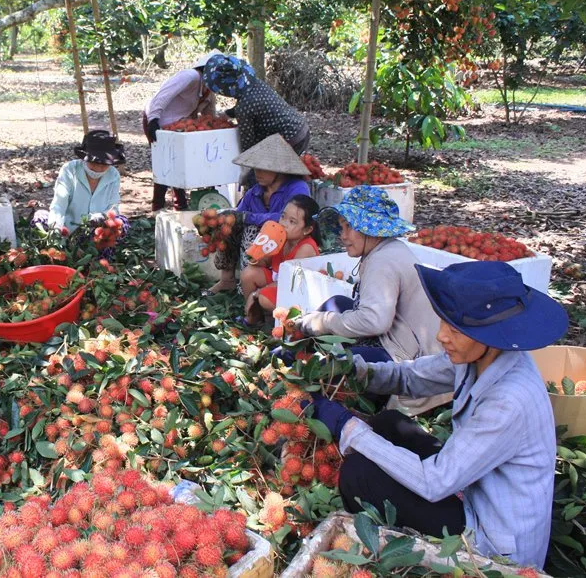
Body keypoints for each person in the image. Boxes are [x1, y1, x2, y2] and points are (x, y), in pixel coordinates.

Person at [307, 261, 567, 570]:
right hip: (475, 492)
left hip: (495, 544)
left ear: (489, 334)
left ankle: (381, 554)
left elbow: (435, 481)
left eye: (455, 329)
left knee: (359, 473)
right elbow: (412, 377)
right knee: (388, 424)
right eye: (443, 321)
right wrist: (353, 370)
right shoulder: (483, 356)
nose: (442, 336)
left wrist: (346, 426)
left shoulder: (510, 400)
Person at [293, 185, 447, 414]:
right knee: (337, 303)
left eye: (349, 228)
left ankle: (298, 380)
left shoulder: (382, 261)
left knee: (337, 366)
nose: (342, 235)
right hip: (404, 341)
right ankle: (291, 357)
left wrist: (322, 322)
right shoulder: (388, 250)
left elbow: (375, 321)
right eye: (342, 227)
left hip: (411, 362)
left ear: (369, 229)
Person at [209, 134, 310, 294]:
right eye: (256, 168)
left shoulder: (298, 188)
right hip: (260, 243)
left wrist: (250, 218)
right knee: (227, 225)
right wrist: (221, 220)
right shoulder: (255, 191)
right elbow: (239, 214)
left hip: (285, 240)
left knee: (253, 230)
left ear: (279, 170)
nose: (257, 173)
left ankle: (250, 283)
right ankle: (227, 279)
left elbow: (291, 220)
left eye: (263, 168)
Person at [142, 50, 221, 211]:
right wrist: (153, 119)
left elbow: (209, 118)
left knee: (179, 163)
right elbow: (162, 95)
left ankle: (181, 205)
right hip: (156, 119)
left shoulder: (208, 93)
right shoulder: (190, 76)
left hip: (178, 127)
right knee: (164, 164)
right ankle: (158, 208)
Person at [202, 53, 309, 156]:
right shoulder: (255, 84)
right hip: (300, 128)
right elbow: (255, 106)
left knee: (271, 172)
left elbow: (248, 146)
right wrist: (228, 114)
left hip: (289, 139)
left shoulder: (244, 107)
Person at [241, 195, 320, 320]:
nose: (283, 224)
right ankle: (253, 316)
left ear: (307, 229)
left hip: (294, 290)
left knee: (264, 298)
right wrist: (257, 255)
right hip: (277, 279)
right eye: (283, 216)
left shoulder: (305, 249)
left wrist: (256, 293)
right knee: (248, 273)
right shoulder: (280, 237)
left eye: (292, 221)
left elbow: (288, 281)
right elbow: (266, 262)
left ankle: (279, 321)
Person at [42, 130, 125, 233]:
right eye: (94, 163)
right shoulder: (70, 170)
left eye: (104, 164)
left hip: (98, 234)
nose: (98, 168)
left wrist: (103, 216)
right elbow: (59, 204)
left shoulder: (113, 175)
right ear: (84, 158)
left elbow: (114, 206)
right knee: (40, 217)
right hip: (68, 232)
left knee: (123, 224)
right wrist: (55, 232)